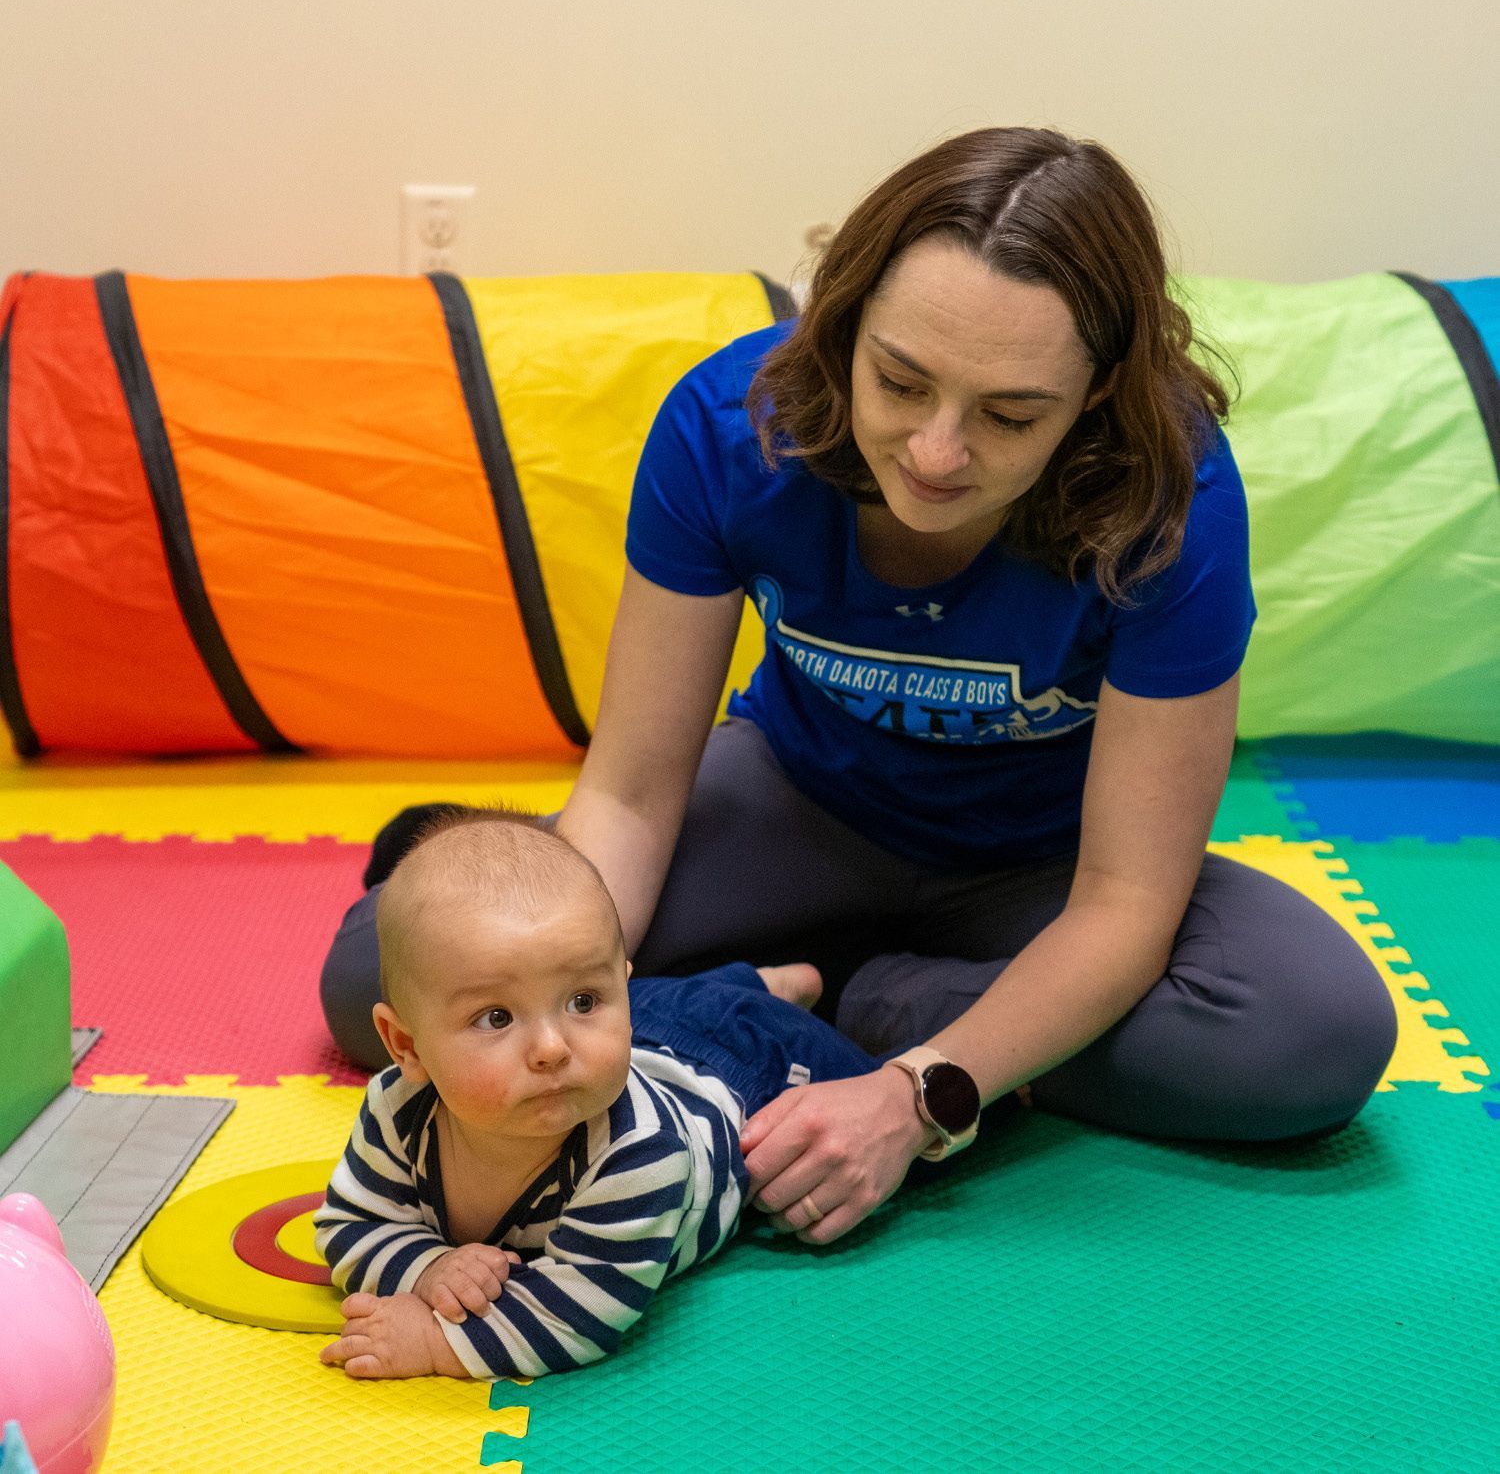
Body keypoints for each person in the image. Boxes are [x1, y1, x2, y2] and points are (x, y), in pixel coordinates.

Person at [321, 126, 1397, 1248]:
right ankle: (788, 1000)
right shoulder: (731, 426)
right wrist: (551, 993)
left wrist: (920, 1093)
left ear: (1095, 401)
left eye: (1010, 415)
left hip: (1043, 873)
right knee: (386, 979)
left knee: (1311, 1036)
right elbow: (633, 793)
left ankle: (865, 998)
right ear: (842, 327)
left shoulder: (1171, 498)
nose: (937, 451)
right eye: (900, 381)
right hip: (798, 810)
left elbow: (1125, 902)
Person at [314, 811, 889, 1382]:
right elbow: (348, 1223)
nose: (551, 1048)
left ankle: (772, 993)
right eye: (496, 1017)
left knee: (863, 1081)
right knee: (675, 1005)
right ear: (405, 1046)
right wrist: (428, 1265)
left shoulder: (640, 1152)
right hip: (656, 1025)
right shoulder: (397, 1110)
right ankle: (749, 983)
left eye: (585, 1000)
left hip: (748, 1069)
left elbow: (576, 1316)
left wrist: (437, 1341)